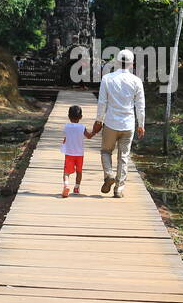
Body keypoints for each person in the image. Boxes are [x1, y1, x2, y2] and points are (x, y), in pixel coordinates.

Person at [91, 48, 145, 198]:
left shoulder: (107, 79)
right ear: (132, 64)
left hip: (110, 123)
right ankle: (119, 189)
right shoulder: (136, 81)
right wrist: (141, 125)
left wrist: (98, 121)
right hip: (128, 125)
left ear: (116, 62)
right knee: (124, 157)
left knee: (105, 151)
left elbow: (102, 103)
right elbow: (140, 106)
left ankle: (109, 175)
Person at [61, 104, 87, 197]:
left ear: (68, 116)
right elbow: (88, 136)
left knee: (66, 171)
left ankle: (66, 185)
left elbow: (66, 137)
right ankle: (76, 187)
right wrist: (94, 132)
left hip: (69, 153)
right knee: (79, 171)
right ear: (81, 117)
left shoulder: (66, 126)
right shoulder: (82, 127)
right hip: (80, 154)